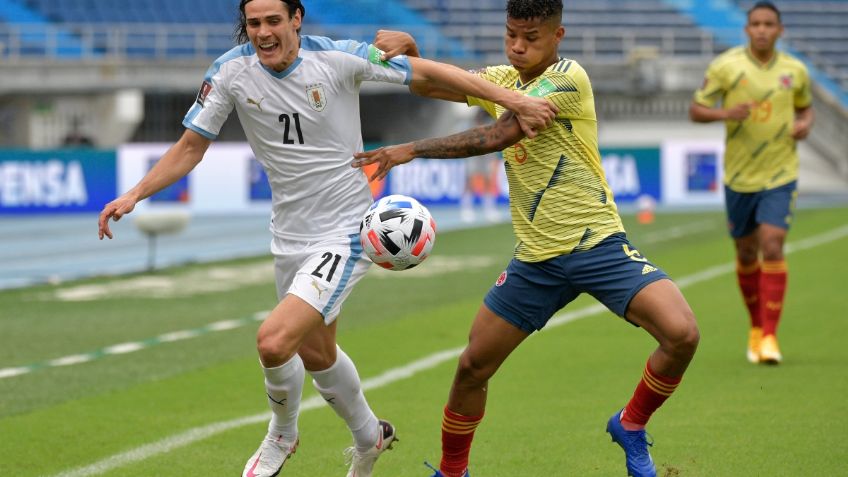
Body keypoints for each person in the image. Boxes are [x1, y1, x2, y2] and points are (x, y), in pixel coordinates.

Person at [97, 1, 557, 476]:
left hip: (344, 232)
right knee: (316, 353)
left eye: (273, 21)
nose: (263, 32)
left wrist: (515, 101)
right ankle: (369, 437)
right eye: (254, 23)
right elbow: (192, 145)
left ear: (296, 19)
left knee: (274, 342)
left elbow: (430, 72)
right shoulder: (231, 72)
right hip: (288, 235)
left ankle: (282, 433)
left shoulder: (339, 58)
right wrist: (135, 194)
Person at [355, 1, 699, 476]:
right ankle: (452, 472)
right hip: (535, 261)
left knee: (681, 335)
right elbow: (439, 84)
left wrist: (411, 148)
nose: (518, 46)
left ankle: (631, 424)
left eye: (531, 37)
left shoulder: (567, 78)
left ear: (557, 35)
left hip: (596, 244)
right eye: (511, 34)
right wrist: (415, 53)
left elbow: (498, 135)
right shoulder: (503, 77)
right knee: (473, 367)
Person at [689, 1, 813, 365]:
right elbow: (697, 109)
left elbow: (805, 107)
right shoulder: (726, 67)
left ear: (779, 30)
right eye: (755, 24)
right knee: (746, 253)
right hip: (739, 176)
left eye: (768, 24)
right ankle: (756, 327)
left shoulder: (795, 70)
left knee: (772, 245)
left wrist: (806, 124)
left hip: (781, 173)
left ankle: (771, 336)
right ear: (746, 30)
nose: (761, 29)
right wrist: (725, 113)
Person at [459, 109, 502, 223]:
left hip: (488, 153)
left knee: (488, 179)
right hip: (473, 153)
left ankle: (489, 208)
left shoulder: (493, 118)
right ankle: (466, 208)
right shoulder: (473, 119)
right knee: (470, 179)